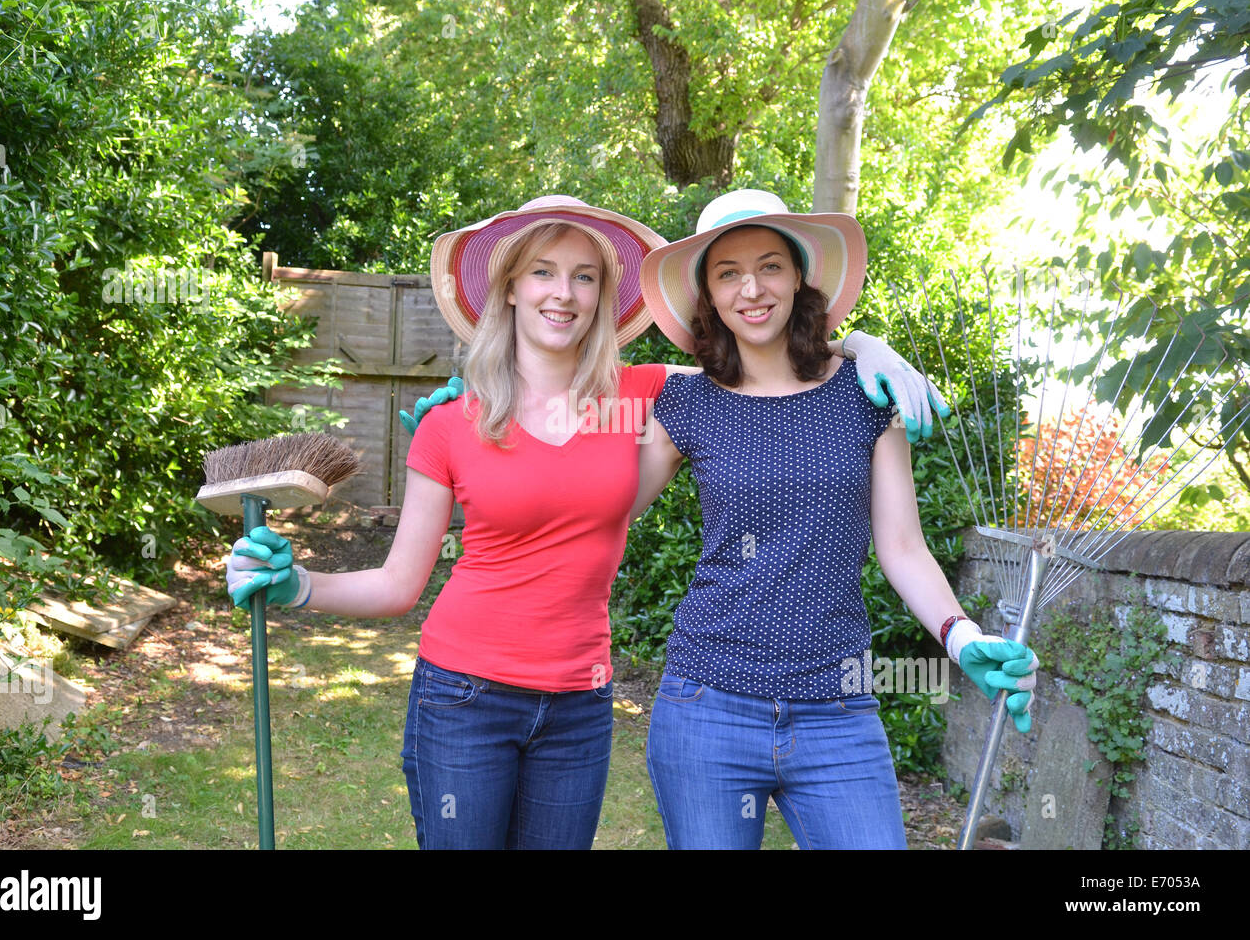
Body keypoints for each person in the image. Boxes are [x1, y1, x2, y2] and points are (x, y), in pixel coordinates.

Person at [224, 195, 946, 850]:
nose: (562, 293)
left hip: (579, 702)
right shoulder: (447, 423)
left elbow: (772, 363)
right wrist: (298, 587)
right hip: (465, 693)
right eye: (542, 272)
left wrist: (867, 348)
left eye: (584, 277)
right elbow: (397, 584)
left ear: (603, 295)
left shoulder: (641, 394)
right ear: (509, 287)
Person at [629, 189, 1039, 850]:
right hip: (707, 707)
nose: (751, 288)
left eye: (769, 266)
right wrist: (483, 434)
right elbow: (596, 510)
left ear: (799, 278)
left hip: (837, 710)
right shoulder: (687, 404)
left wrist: (960, 638)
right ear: (709, 293)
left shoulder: (866, 392)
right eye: (728, 272)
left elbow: (902, 548)